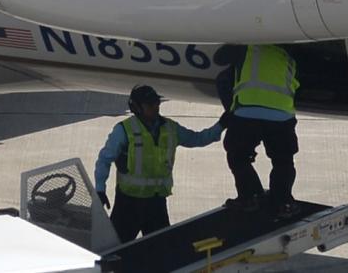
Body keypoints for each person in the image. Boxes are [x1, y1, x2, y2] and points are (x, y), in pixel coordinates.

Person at [92, 84, 221, 243]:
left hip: (156, 203)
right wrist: (100, 189)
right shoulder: (124, 130)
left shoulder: (171, 128)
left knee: (162, 250)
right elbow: (105, 159)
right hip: (129, 204)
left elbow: (198, 139)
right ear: (137, 108)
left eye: (157, 103)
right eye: (150, 104)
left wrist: (221, 126)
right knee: (115, 251)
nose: (156, 107)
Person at [219, 43, 301, 212]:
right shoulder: (288, 56)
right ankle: (283, 202)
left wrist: (230, 111)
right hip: (282, 114)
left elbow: (220, 65)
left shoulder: (247, 49)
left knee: (238, 156)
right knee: (283, 160)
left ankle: (250, 197)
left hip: (248, 111)